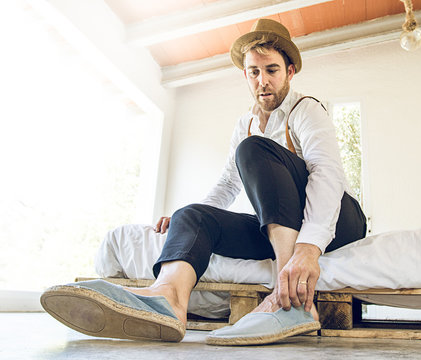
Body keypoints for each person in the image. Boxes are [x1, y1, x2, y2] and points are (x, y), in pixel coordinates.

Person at [41, 18, 367, 345]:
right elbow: (228, 184)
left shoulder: (305, 109)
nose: (263, 80)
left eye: (272, 70)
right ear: (245, 75)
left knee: (253, 150)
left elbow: (327, 173)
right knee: (192, 214)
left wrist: (309, 248)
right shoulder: (246, 123)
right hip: (284, 226)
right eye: (254, 72)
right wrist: (185, 219)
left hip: (338, 218)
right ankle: (167, 300)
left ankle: (288, 302)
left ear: (290, 72)